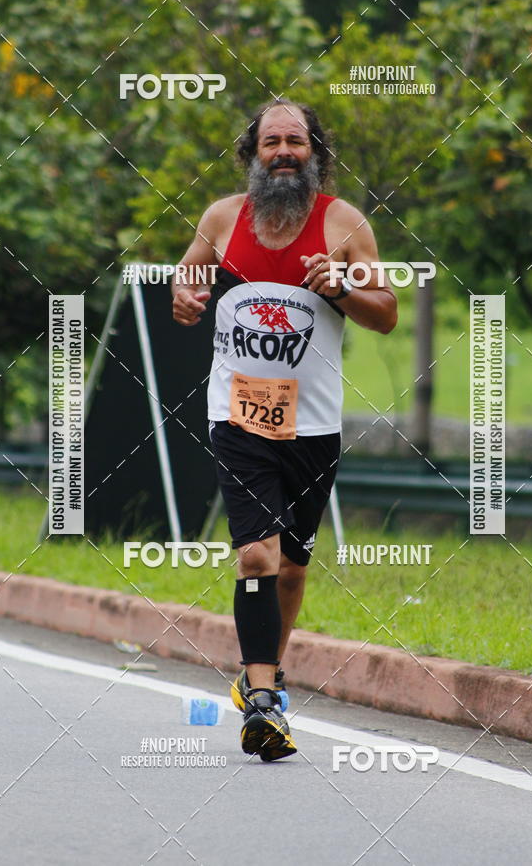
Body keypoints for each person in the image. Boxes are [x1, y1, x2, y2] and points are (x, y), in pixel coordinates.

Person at [172, 98, 397, 761]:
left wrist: (340, 289)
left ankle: (262, 668)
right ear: (252, 153)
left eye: (295, 141)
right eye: (271, 141)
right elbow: (189, 277)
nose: (282, 152)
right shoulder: (222, 217)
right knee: (256, 557)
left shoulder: (343, 223)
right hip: (238, 414)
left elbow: (384, 313)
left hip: (313, 422)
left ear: (314, 152)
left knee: (294, 569)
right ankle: (266, 700)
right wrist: (185, 299)